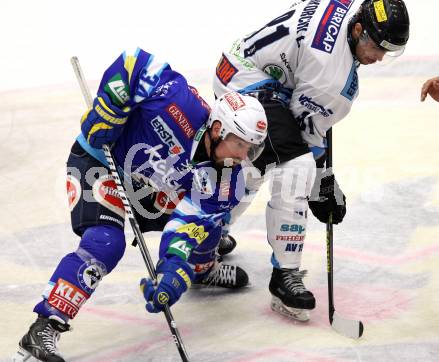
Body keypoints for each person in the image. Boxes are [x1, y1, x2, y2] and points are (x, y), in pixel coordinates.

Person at [14, 48, 268, 362]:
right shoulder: (179, 103)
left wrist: (174, 273)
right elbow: (132, 62)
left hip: (149, 188)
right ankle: (44, 326)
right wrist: (109, 110)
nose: (243, 156)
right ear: (218, 131)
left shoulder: (227, 179)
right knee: (105, 242)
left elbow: (188, 227)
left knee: (210, 226)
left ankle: (202, 270)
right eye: (239, 144)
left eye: (250, 149)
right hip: (99, 164)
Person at [213, 0, 410, 321]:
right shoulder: (332, 78)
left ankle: (208, 233)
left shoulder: (348, 9)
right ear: (358, 30)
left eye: (388, 51)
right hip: (248, 83)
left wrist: (325, 179)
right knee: (297, 166)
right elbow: (305, 136)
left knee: (259, 164)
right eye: (376, 47)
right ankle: (284, 277)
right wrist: (324, 184)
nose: (379, 58)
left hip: (237, 65)